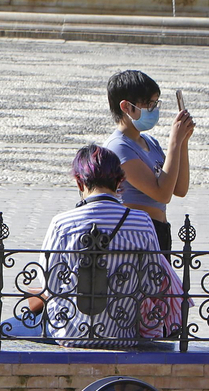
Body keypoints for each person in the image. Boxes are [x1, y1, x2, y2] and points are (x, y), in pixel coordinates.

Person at [38, 145, 183, 348]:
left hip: (70, 333)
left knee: (16, 325)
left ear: (79, 182)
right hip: (124, 332)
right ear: (119, 181)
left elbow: (49, 284)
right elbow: (152, 282)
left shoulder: (62, 224)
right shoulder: (141, 222)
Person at [100, 70, 195, 254]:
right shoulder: (118, 147)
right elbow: (162, 194)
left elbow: (179, 188)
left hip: (159, 230)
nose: (154, 110)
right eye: (148, 105)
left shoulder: (149, 142)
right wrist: (174, 142)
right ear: (126, 107)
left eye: (155, 103)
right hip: (136, 235)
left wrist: (183, 142)